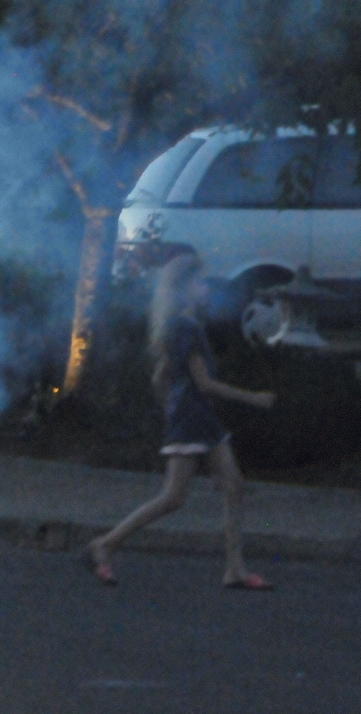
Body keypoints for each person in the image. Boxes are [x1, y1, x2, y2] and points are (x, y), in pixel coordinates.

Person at [81, 249, 277, 589]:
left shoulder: (181, 326)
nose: (205, 287)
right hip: (193, 421)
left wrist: (171, 407)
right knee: (173, 497)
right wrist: (254, 398)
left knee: (233, 486)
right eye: (199, 281)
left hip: (197, 419)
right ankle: (105, 543)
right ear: (183, 287)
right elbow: (204, 384)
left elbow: (162, 379)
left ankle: (235, 568)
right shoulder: (184, 328)